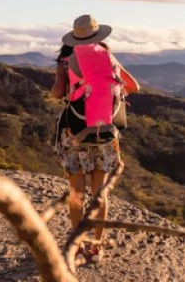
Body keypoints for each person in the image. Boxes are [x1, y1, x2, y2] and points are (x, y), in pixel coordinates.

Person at [50, 14, 139, 264]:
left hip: (74, 132)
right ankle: (98, 247)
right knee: (100, 193)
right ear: (99, 35)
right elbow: (135, 86)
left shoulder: (66, 62)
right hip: (103, 131)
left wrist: (70, 89)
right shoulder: (108, 56)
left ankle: (77, 246)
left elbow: (57, 93)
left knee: (76, 192)